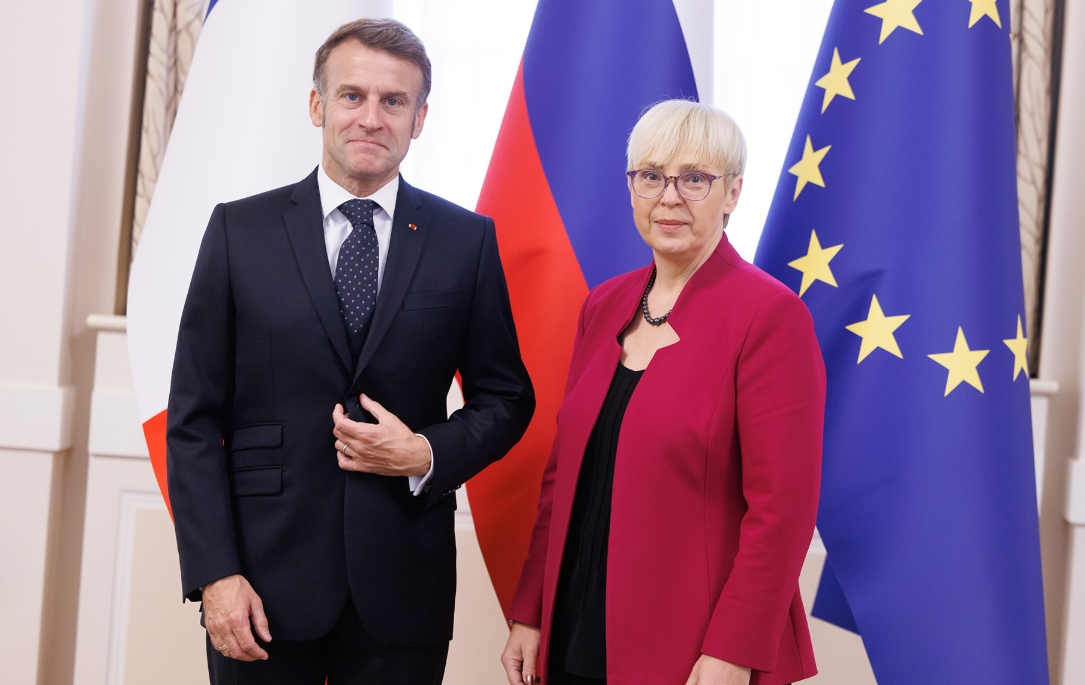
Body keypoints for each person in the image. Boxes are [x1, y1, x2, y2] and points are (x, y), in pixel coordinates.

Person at [167, 18, 535, 685]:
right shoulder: (238, 231)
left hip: (403, 584)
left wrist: (426, 452)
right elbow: (193, 420)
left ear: (420, 118)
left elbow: (508, 399)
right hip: (259, 587)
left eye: (394, 101)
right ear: (317, 106)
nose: (372, 116)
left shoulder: (466, 241)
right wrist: (215, 575)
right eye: (352, 96)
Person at [500, 100, 826, 685]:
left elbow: (783, 511)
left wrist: (735, 647)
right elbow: (563, 476)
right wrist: (531, 610)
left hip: (693, 643)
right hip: (575, 622)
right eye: (651, 176)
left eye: (695, 179)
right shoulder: (604, 305)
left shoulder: (772, 317)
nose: (669, 197)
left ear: (732, 194)